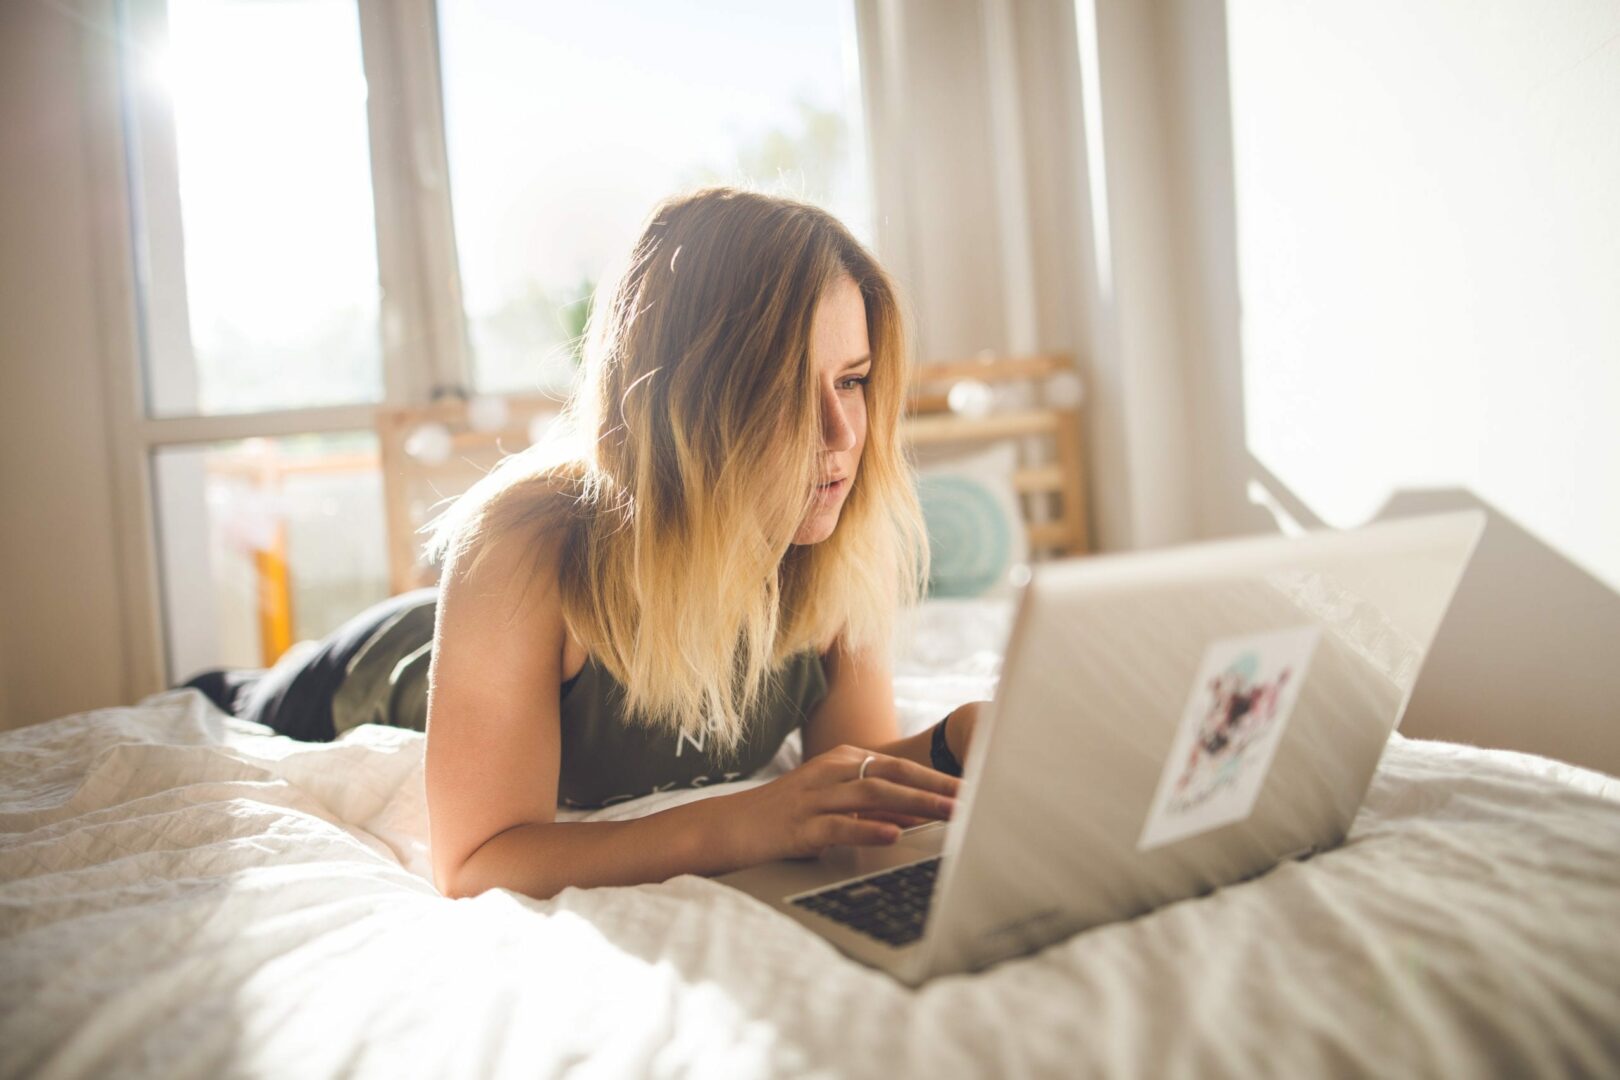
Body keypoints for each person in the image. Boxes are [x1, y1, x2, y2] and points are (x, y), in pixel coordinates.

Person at [183, 185, 985, 901]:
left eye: (851, 380)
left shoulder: (834, 532)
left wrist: (955, 742)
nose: (842, 433)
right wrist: (739, 823)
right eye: (785, 391)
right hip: (357, 674)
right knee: (225, 699)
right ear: (688, 403)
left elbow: (853, 769)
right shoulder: (525, 541)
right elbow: (475, 860)